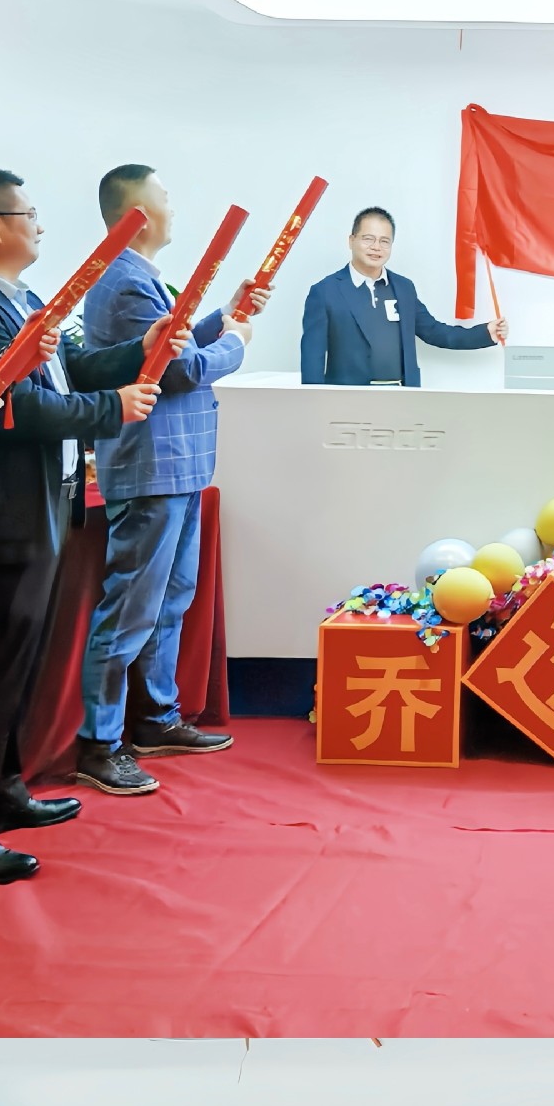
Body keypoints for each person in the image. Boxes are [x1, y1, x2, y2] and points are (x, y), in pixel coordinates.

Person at [0, 169, 164, 883]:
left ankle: (3, 791)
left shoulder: (22, 299)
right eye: (28, 214)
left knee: (15, 667)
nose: (40, 226)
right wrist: (114, 409)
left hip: (41, 508)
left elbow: (70, 370)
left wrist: (142, 349)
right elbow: (17, 408)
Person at [75, 165, 267, 797]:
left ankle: (157, 719)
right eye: (163, 197)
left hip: (177, 464)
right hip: (152, 465)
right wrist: (236, 342)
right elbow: (178, 371)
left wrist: (225, 315)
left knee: (169, 600)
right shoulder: (126, 281)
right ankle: (100, 743)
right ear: (136, 214)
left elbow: (176, 343)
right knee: (132, 608)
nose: (173, 207)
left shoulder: (137, 276)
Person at [300, 206, 508, 388]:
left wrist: (485, 332)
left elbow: (435, 332)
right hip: (348, 400)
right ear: (351, 240)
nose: (376, 247)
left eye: (384, 241)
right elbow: (312, 357)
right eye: (368, 239)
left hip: (402, 396)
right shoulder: (325, 292)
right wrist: (313, 404)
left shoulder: (404, 288)